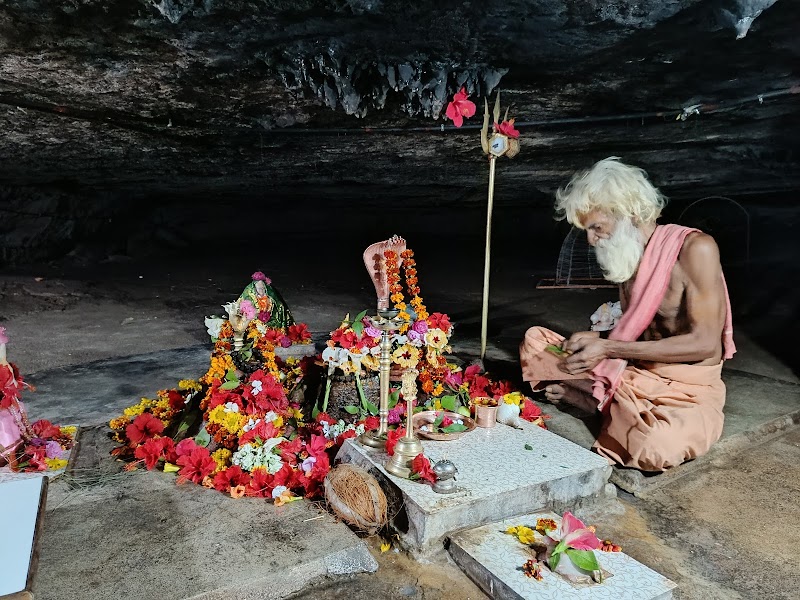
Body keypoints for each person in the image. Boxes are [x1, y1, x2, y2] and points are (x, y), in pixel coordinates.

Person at [520, 157, 736, 471]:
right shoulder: (629, 256)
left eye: (596, 227)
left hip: (686, 391)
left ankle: (598, 403)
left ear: (628, 212)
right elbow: (644, 332)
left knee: (653, 445)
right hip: (633, 370)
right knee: (535, 341)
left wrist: (607, 347)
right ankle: (612, 404)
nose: (592, 239)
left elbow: (706, 345)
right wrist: (599, 339)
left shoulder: (696, 249)